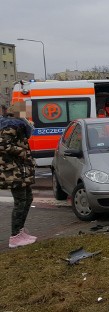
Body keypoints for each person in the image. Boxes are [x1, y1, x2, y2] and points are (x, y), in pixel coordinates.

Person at [1, 103, 37, 248]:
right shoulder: (10, 125)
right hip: (12, 170)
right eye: (25, 110)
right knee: (21, 201)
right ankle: (15, 237)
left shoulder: (18, 124)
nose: (28, 113)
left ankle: (20, 231)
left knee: (28, 198)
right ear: (18, 112)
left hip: (19, 169)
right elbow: (2, 145)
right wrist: (21, 151)